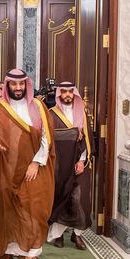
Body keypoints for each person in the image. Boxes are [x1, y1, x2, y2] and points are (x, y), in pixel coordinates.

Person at [0, 69, 55, 259]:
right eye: (13, 84)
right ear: (7, 86)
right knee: (7, 208)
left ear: (26, 85)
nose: (17, 88)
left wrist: (35, 163)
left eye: (21, 84)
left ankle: (32, 254)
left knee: (35, 209)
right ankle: (9, 248)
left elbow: (46, 139)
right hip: (6, 167)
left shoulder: (38, 107)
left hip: (33, 167)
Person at [47, 82, 92, 250]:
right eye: (63, 92)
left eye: (70, 92)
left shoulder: (82, 114)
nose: (67, 95)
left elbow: (87, 141)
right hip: (60, 166)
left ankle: (77, 234)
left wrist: (82, 160)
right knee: (61, 197)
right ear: (59, 94)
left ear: (74, 94)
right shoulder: (51, 114)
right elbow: (49, 140)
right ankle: (57, 235)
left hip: (78, 164)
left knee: (79, 199)